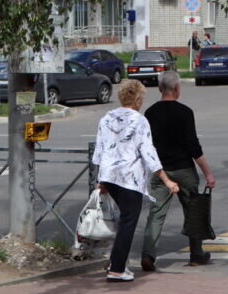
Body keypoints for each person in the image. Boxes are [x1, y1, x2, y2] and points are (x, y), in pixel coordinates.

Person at [91, 79, 179, 282]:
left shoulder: (106, 118)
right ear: (138, 99)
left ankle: (116, 263)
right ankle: (117, 268)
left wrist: (101, 180)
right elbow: (148, 153)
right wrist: (166, 180)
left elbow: (99, 151)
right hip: (129, 178)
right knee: (128, 221)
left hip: (109, 176)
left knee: (124, 220)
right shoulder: (139, 121)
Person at [140, 71, 217, 271]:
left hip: (161, 173)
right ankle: (196, 255)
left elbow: (148, 147)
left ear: (159, 89)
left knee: (156, 214)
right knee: (193, 212)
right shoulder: (185, 112)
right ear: (176, 88)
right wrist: (208, 173)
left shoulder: (150, 113)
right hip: (184, 170)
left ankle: (148, 254)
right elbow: (193, 147)